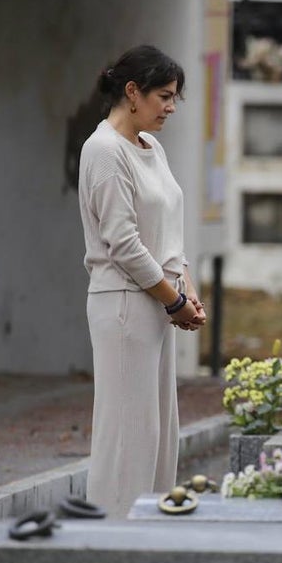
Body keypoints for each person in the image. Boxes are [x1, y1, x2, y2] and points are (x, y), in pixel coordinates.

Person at [77, 44, 206, 517]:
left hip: (159, 302)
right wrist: (175, 302)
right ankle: (110, 540)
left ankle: (149, 530)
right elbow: (122, 242)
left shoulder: (152, 148)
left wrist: (187, 287)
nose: (171, 107)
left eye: (175, 97)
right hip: (126, 304)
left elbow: (170, 233)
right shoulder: (104, 151)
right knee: (128, 433)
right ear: (132, 92)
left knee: (158, 432)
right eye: (164, 96)